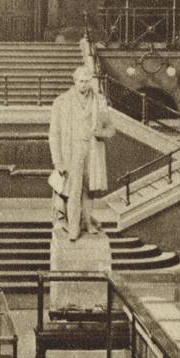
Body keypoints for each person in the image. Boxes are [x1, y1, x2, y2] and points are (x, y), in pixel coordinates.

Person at [48, 65, 114, 242]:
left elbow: (111, 129)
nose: (84, 85)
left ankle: (88, 222)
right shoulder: (62, 101)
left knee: (89, 190)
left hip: (93, 151)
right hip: (72, 152)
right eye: (81, 81)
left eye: (87, 81)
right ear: (74, 81)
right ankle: (73, 228)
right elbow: (54, 134)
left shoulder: (99, 101)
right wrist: (58, 162)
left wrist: (101, 132)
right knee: (73, 191)